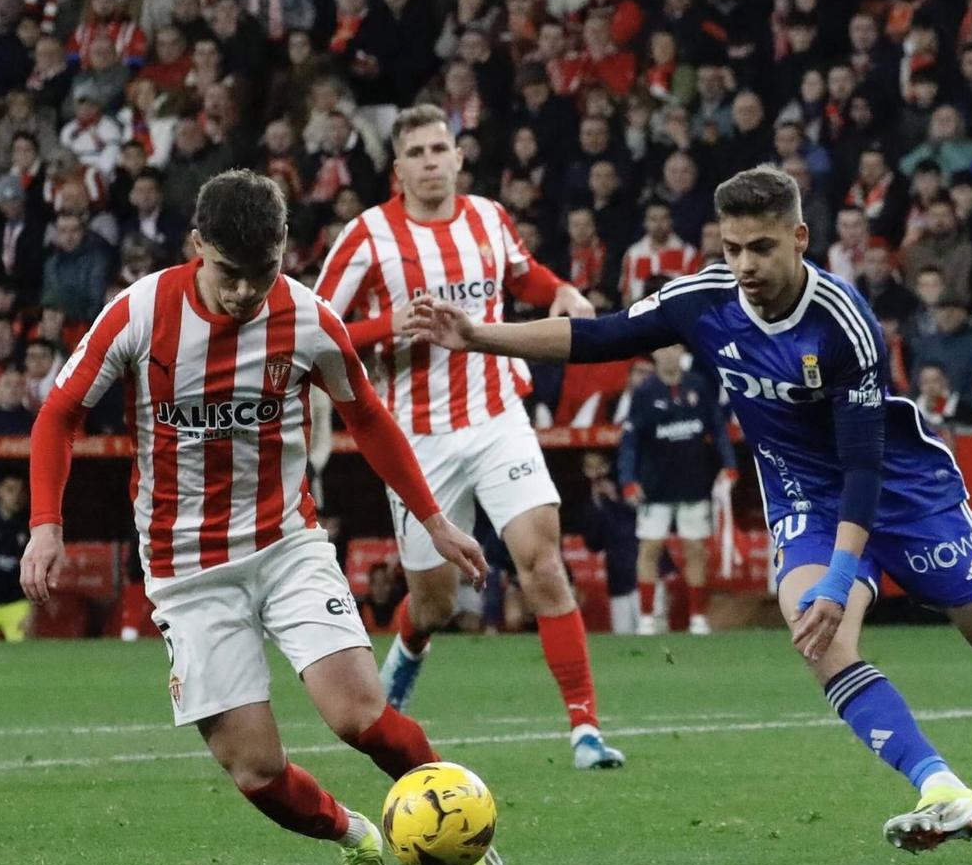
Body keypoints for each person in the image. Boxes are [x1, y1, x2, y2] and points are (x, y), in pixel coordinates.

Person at [409, 164, 972, 852]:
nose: (744, 265)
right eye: (731, 248)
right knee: (821, 639)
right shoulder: (703, 301)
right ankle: (941, 788)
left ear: (799, 237)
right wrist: (477, 335)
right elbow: (599, 335)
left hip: (899, 489)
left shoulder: (843, 321)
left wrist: (844, 571)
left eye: (761, 248)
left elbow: (863, 462)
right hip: (801, 496)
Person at [25, 169, 499, 865]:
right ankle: (357, 836)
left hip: (286, 546)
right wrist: (45, 525)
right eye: (230, 273)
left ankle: (460, 834)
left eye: (264, 272)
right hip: (186, 570)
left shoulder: (308, 319)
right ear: (196, 247)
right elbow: (58, 415)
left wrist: (434, 519)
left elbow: (367, 416)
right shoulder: (140, 313)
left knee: (359, 716)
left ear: (285, 252)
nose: (247, 291)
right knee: (254, 769)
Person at [314, 105, 626, 771]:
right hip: (417, 437)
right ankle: (408, 649)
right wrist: (383, 328)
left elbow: (524, 276)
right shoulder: (367, 238)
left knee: (541, 560)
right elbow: (312, 327)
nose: (430, 161)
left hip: (496, 416)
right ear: (398, 169)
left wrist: (563, 291)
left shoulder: (488, 217)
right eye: (416, 152)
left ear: (458, 157)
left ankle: (586, 729)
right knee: (437, 601)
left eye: (439, 149)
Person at [618, 344, 736, 635]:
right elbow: (630, 441)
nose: (669, 354)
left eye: (674, 348)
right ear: (654, 355)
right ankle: (647, 618)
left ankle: (698, 618)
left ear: (681, 351)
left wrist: (729, 464)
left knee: (695, 549)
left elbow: (718, 429)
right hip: (654, 486)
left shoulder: (699, 386)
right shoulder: (645, 392)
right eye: (663, 349)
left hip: (694, 482)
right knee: (650, 547)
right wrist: (628, 480)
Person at [580, 450, 642, 635]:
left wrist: (617, 498)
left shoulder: (629, 487)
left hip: (643, 574)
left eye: (599, 465)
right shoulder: (593, 503)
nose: (596, 472)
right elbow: (593, 544)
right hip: (618, 580)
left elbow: (646, 522)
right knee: (623, 635)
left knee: (651, 631)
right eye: (590, 467)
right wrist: (597, 504)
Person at [0, 473, 27, 642]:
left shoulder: (28, 527)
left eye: (20, 492)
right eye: (10, 490)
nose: (15, 496)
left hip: (16, 603)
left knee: (22, 657)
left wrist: (33, 609)